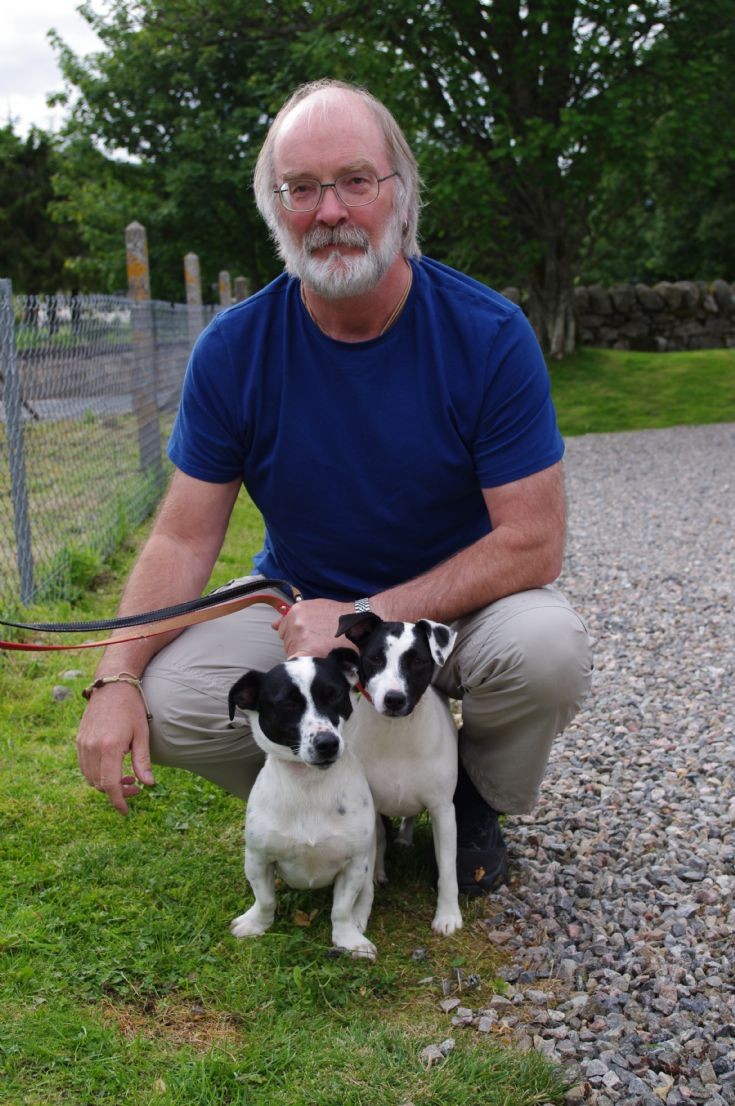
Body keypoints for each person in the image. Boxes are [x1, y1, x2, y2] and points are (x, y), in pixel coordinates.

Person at [77, 78, 592, 896]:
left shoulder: (489, 335)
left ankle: (467, 794)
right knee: (172, 697)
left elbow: (533, 540)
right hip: (301, 611)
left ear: (401, 194)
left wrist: (369, 620)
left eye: (355, 180)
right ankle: (332, 797)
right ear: (274, 208)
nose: (329, 211)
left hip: (457, 610)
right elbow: (181, 537)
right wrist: (114, 678)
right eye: (302, 188)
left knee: (547, 652)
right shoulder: (234, 350)